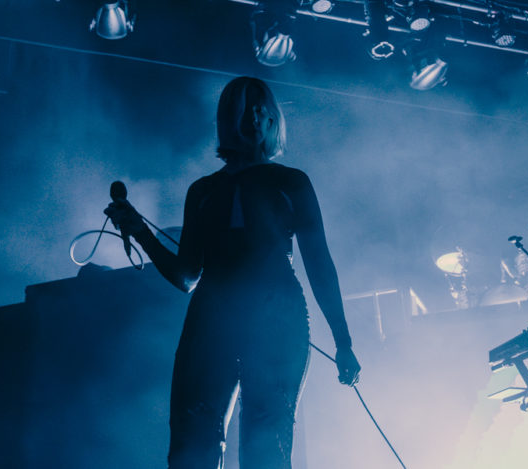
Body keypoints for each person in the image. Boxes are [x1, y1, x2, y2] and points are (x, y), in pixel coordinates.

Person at [105, 76, 360, 469]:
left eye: (259, 110)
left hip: (276, 322)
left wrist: (343, 341)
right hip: (213, 323)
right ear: (228, 120)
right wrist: (141, 232)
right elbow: (187, 276)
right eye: (245, 110)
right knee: (193, 447)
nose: (253, 118)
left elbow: (319, 265)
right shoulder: (203, 191)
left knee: (267, 447)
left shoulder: (291, 182)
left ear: (271, 118)